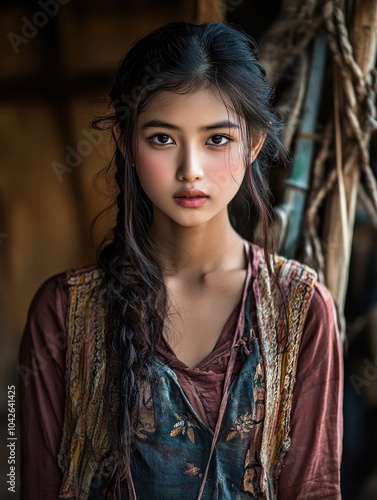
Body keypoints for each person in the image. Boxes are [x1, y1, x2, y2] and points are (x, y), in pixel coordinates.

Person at [19, 22, 343, 499]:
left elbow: (314, 489)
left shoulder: (300, 309)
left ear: (253, 143)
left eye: (216, 140)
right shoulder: (65, 311)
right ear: (127, 142)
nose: (190, 168)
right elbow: (26, 479)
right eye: (163, 139)